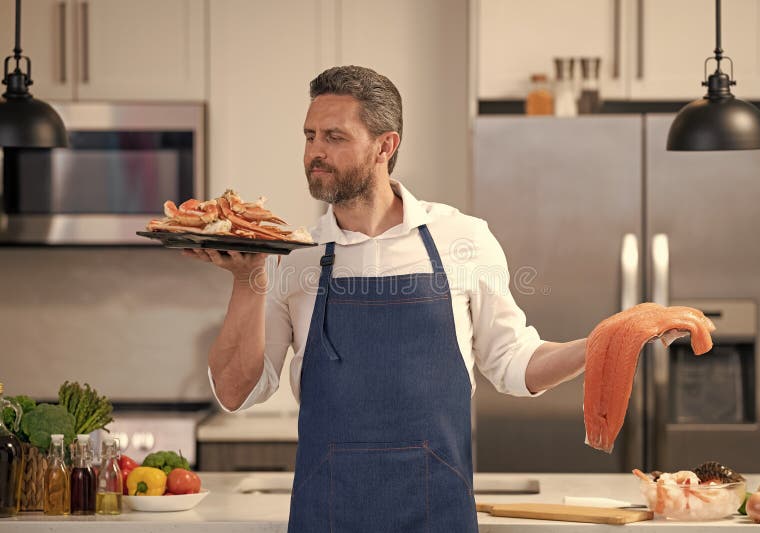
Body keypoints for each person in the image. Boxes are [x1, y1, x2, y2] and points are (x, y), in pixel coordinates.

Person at [183, 65, 587, 532]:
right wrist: (246, 278)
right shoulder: (293, 255)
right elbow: (235, 392)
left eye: (334, 137)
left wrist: (604, 344)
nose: (315, 152)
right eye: (310, 136)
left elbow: (515, 363)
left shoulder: (464, 239)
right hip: (327, 517)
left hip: (437, 513)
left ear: (385, 146)